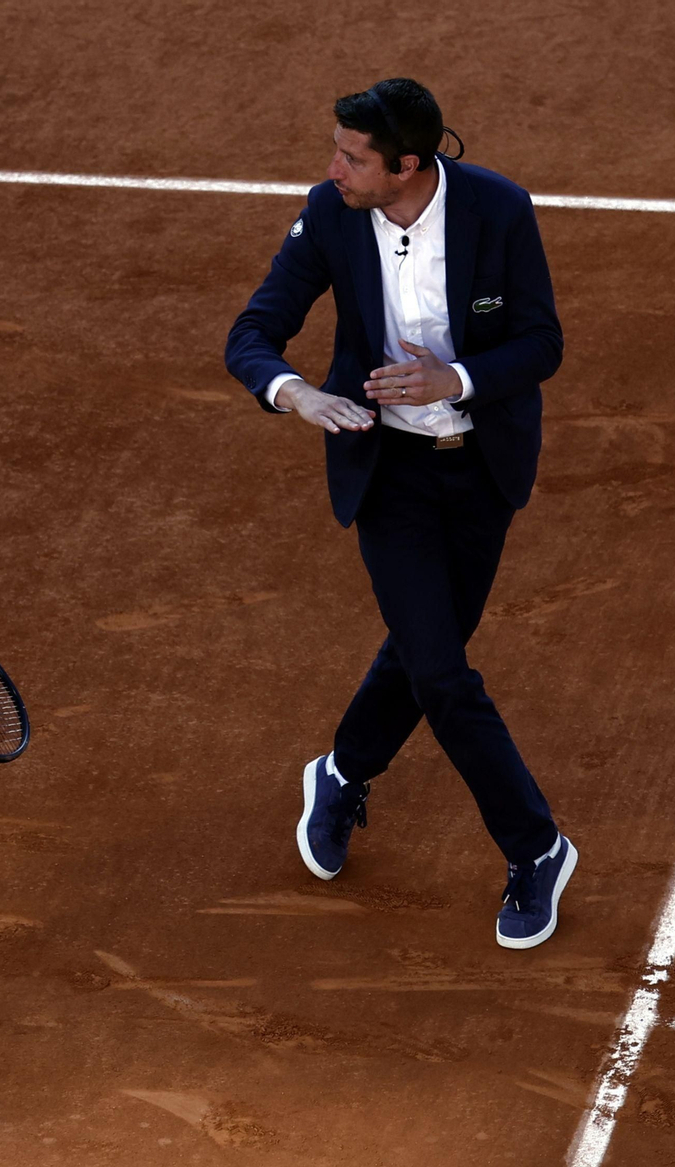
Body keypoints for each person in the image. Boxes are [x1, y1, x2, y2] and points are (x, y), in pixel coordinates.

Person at [224, 78, 576, 949]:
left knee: (427, 652)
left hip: (482, 469)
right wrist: (296, 393)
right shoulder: (331, 213)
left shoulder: (497, 209)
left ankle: (343, 769)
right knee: (444, 676)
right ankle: (536, 846)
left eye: (353, 157)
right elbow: (253, 333)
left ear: (408, 165)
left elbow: (542, 342)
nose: (333, 169)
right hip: (390, 474)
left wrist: (454, 378)